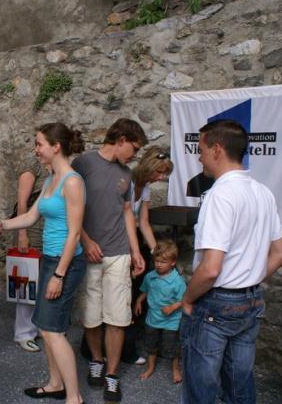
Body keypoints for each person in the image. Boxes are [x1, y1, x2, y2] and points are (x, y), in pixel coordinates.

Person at [180, 119, 282, 404]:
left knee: (200, 389)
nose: (199, 157)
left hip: (216, 304)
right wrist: (247, 281)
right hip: (251, 300)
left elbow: (211, 268)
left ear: (217, 149)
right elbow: (280, 254)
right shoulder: (263, 192)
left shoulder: (219, 195)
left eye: (201, 150)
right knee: (239, 386)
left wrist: (187, 299)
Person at [0, 122, 86, 404]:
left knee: (52, 330)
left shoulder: (72, 182)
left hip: (65, 263)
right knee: (45, 327)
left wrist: (58, 276)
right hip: (50, 258)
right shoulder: (51, 178)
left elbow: (74, 233)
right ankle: (55, 384)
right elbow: (30, 217)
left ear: (56, 146)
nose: (36, 149)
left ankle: (74, 398)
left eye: (39, 144)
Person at [71, 118, 147, 403]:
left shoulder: (127, 174)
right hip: (89, 253)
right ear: (121, 139)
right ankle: (96, 359)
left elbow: (127, 211)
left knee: (118, 317)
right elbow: (70, 206)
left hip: (119, 254)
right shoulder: (83, 164)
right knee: (91, 316)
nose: (135, 155)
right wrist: (85, 240)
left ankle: (112, 375)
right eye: (134, 148)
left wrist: (135, 251)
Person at [121, 146, 175, 366]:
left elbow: (143, 223)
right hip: (118, 243)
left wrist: (156, 253)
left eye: (164, 174)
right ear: (148, 167)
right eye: (159, 172)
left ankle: (127, 346)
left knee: (136, 295)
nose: (161, 178)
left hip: (134, 242)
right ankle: (119, 349)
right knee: (122, 298)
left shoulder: (144, 188)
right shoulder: (127, 182)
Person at [133, 240, 185, 383]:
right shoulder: (150, 276)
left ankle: (175, 369)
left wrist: (172, 307)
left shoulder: (178, 281)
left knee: (171, 345)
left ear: (173, 262)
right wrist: (139, 300)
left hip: (171, 321)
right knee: (151, 344)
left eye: (163, 262)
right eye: (156, 261)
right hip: (153, 318)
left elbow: (183, 299)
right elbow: (146, 290)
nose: (158, 264)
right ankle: (150, 367)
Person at [12, 154, 48, 352]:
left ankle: (39, 325)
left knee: (43, 283)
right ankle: (24, 333)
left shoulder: (55, 166)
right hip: (31, 232)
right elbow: (22, 202)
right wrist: (22, 234)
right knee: (27, 284)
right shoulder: (33, 164)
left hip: (48, 232)